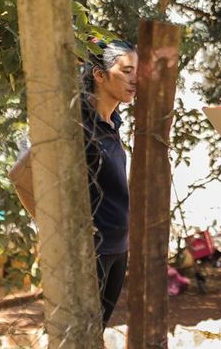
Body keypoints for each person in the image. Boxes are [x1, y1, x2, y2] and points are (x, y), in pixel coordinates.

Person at [80, 39, 138, 328]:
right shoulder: (78, 123)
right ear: (99, 75)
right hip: (91, 250)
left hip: (118, 245)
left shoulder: (114, 121)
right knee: (81, 333)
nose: (134, 79)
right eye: (126, 71)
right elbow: (23, 174)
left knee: (97, 331)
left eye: (136, 71)